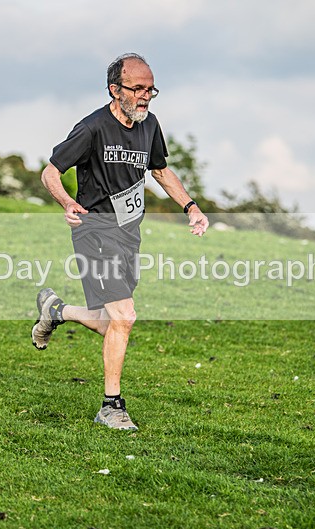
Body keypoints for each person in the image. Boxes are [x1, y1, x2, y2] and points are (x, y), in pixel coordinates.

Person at [32, 53, 209, 430]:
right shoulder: (92, 128)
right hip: (94, 231)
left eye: (150, 89)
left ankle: (56, 311)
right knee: (125, 316)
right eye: (137, 89)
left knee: (110, 320)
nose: (145, 96)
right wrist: (67, 202)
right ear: (115, 89)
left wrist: (191, 206)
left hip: (129, 235)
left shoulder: (150, 125)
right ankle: (111, 406)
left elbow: (160, 170)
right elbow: (50, 172)